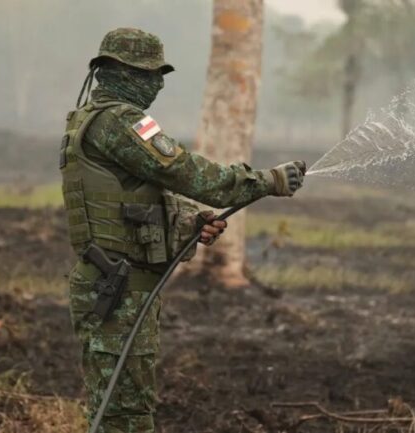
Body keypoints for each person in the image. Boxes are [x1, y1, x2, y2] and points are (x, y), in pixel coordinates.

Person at [60, 28, 305, 433]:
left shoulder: (89, 119)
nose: (156, 84)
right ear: (120, 71)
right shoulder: (121, 121)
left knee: (120, 406)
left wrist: (190, 220)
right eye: (149, 73)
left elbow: (129, 196)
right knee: (125, 416)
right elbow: (181, 171)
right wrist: (264, 181)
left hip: (115, 284)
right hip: (117, 289)